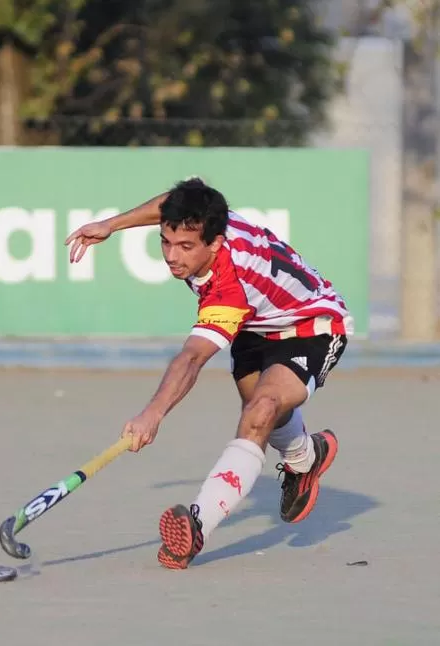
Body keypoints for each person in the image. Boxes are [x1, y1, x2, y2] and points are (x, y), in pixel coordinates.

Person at [64, 177, 352, 570]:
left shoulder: (226, 289)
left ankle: (197, 526)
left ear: (214, 244)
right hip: (257, 323)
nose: (171, 256)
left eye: (185, 247)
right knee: (264, 409)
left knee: (260, 410)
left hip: (313, 324)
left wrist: (154, 413)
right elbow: (170, 203)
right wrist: (111, 225)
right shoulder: (205, 217)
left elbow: (192, 359)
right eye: (165, 242)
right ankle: (305, 456)